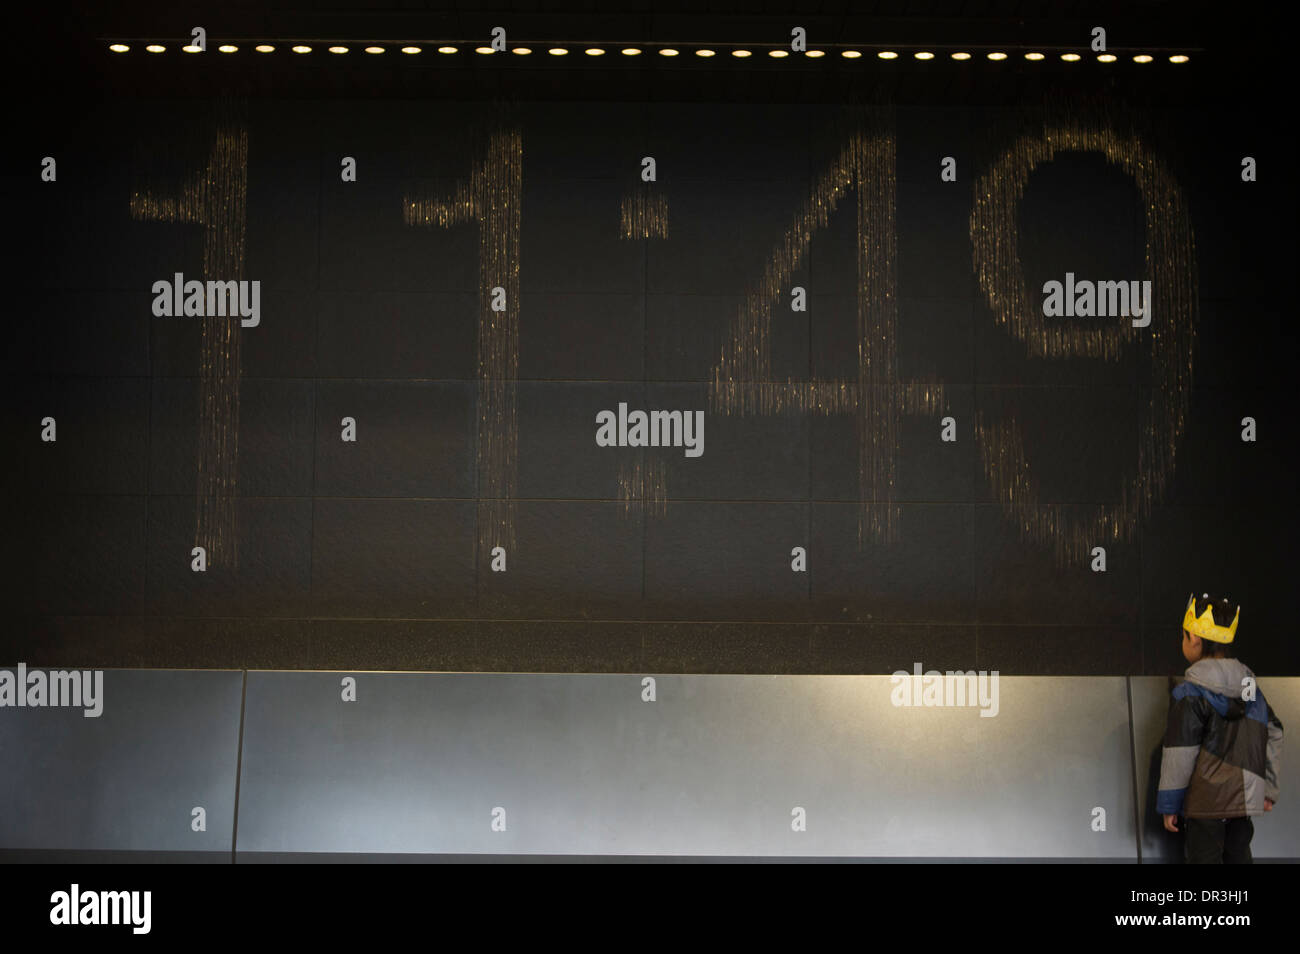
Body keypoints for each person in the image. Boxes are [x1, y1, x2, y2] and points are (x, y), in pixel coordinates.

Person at [1157, 593, 1284, 863]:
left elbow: (1181, 753)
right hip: (1242, 803)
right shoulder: (1251, 691)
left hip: (1205, 804)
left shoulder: (1188, 693)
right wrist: (1268, 789)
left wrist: (1170, 804)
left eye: (1183, 636)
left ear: (1194, 639)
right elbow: (1273, 731)